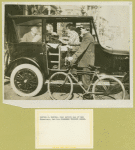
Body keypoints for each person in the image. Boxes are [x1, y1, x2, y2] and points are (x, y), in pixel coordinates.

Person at [67, 25, 95, 94]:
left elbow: (81, 49)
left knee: (86, 80)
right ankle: (86, 94)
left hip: (87, 61)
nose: (80, 30)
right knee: (85, 79)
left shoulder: (88, 37)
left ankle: (88, 96)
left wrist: (73, 57)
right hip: (86, 60)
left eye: (81, 29)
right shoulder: (87, 36)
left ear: (85, 29)